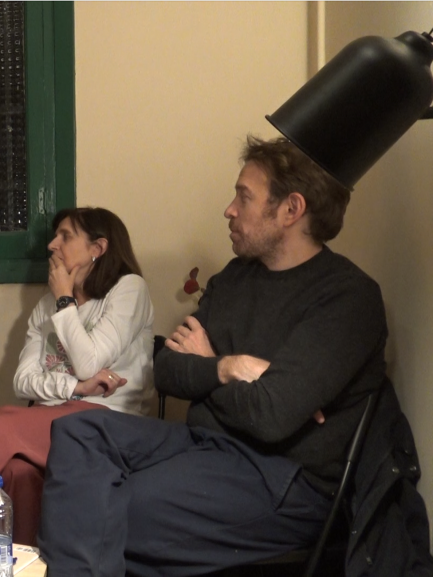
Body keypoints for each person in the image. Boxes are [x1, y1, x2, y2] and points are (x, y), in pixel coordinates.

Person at [38, 136, 431, 576]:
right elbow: (166, 370)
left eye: (244, 197)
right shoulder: (235, 279)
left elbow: (271, 416)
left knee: (119, 505)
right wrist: (228, 367)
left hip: (283, 479)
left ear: (291, 209)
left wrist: (207, 366)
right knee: (76, 432)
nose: (229, 209)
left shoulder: (346, 298)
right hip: (206, 446)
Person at [0, 207, 154, 546]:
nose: (52, 245)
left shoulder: (129, 289)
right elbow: (22, 381)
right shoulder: (45, 305)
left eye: (65, 236)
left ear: (97, 248)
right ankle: (19, 564)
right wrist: (75, 386)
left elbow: (89, 362)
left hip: (109, 423)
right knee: (17, 472)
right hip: (51, 420)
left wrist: (64, 299)